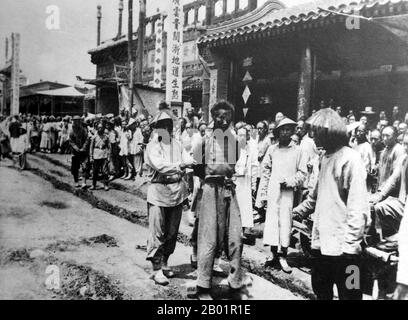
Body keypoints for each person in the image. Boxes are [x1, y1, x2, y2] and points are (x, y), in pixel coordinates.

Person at [293, 108, 370, 300]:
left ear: (329, 133)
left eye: (317, 132)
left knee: (350, 294)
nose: (313, 136)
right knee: (321, 290)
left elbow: (358, 207)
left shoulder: (352, 159)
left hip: (346, 249)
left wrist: (351, 245)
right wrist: (298, 212)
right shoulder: (324, 158)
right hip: (322, 243)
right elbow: (315, 196)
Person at [192, 100, 249, 300]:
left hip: (228, 189)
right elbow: (197, 167)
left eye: (226, 117)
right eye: (219, 116)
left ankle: (235, 283)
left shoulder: (234, 141)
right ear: (213, 117)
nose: (223, 120)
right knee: (208, 237)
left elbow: (233, 165)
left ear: (231, 118)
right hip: (209, 189)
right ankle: (203, 286)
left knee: (235, 236)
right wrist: (211, 180)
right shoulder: (203, 140)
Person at [144, 102, 195, 286]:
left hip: (176, 191)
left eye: (168, 125)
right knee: (158, 231)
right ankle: (156, 269)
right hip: (158, 191)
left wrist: (191, 162)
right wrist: (180, 166)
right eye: (161, 126)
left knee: (172, 232)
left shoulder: (177, 144)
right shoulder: (152, 146)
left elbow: (188, 159)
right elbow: (160, 166)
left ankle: (165, 262)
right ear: (156, 128)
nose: (165, 128)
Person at [257, 118, 307, 273]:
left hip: (288, 192)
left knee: (285, 222)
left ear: (292, 132)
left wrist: (291, 181)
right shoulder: (272, 149)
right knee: (272, 222)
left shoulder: (298, 150)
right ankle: (273, 254)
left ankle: (283, 256)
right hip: (273, 190)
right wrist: (263, 194)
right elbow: (265, 171)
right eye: (282, 130)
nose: (285, 132)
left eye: (288, 129)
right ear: (278, 132)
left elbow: (303, 173)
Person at [370, 133, 408, 246]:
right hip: (403, 203)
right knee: (379, 208)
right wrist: (379, 197)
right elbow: (392, 180)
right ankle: (391, 239)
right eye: (404, 144)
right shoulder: (404, 159)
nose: (405, 147)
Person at [377, 126, 405, 192]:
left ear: (395, 136)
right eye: (383, 135)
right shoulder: (385, 150)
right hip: (382, 188)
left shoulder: (398, 150)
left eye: (388, 136)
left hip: (391, 191)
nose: (384, 138)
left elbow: (396, 176)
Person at [68, 116, 90, 188]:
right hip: (75, 152)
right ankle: (76, 181)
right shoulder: (71, 131)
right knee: (75, 168)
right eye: (75, 121)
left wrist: (83, 148)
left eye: (78, 121)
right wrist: (77, 148)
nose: (76, 122)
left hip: (83, 152)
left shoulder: (83, 130)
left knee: (84, 167)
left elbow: (87, 139)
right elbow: (71, 141)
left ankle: (84, 182)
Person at [89, 121, 110, 191]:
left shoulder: (106, 137)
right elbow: (91, 148)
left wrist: (108, 156)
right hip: (96, 155)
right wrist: (91, 157)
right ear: (97, 128)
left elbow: (109, 147)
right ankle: (93, 185)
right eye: (99, 127)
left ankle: (106, 185)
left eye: (101, 127)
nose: (100, 128)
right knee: (95, 171)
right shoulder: (94, 137)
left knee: (105, 171)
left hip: (104, 154)